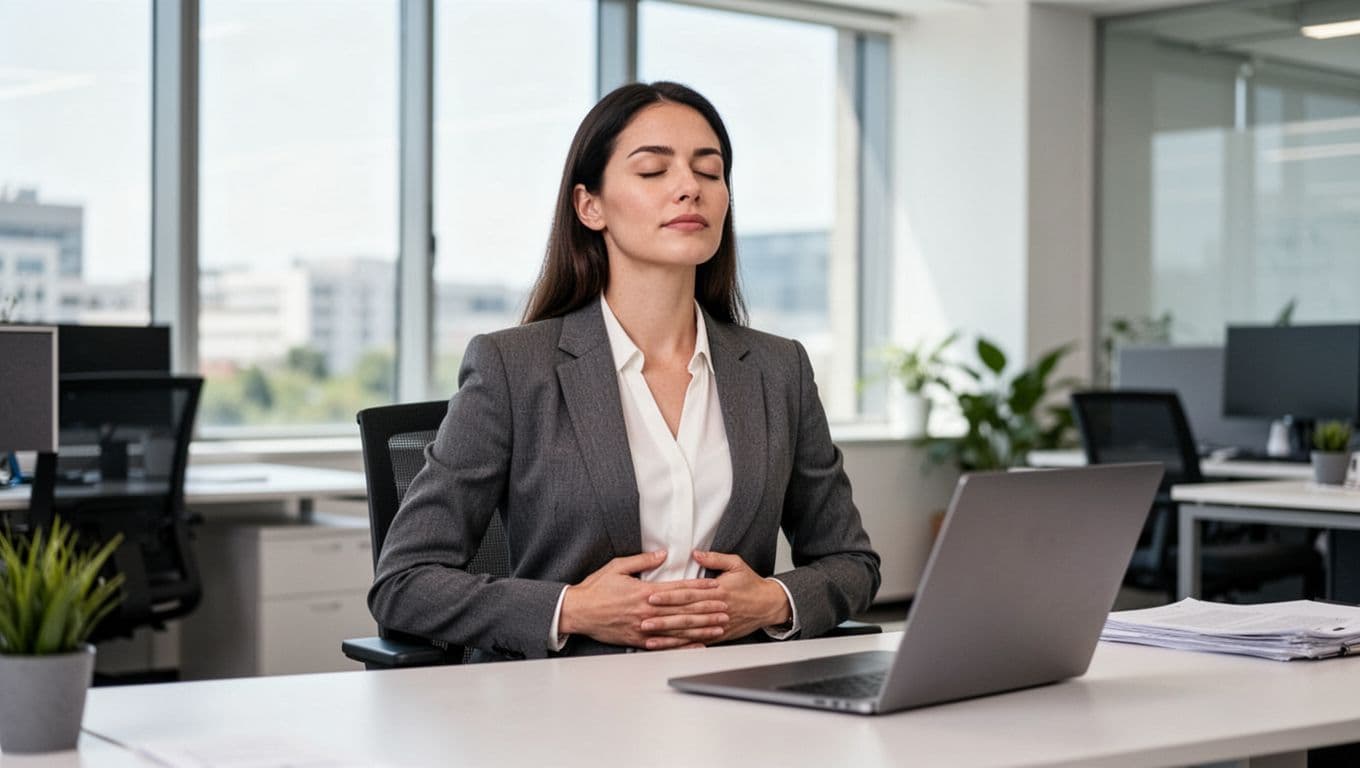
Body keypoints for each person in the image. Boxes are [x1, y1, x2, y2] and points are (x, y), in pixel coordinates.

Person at [369, 81, 880, 660]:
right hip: (569, 707)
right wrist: (572, 609)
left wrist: (773, 601)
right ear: (590, 206)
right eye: (653, 171)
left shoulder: (778, 368)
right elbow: (404, 583)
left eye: (709, 172)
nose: (689, 188)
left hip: (734, 697)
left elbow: (852, 563)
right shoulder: (513, 368)